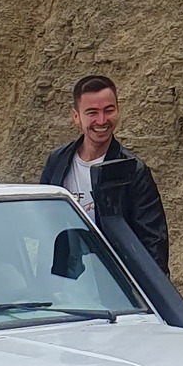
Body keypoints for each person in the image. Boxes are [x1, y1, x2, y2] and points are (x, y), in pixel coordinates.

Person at [38, 72, 169, 271]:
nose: (101, 120)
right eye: (92, 112)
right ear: (76, 116)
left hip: (116, 286)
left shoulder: (133, 171)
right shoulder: (57, 161)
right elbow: (42, 221)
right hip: (65, 283)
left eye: (109, 110)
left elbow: (154, 242)